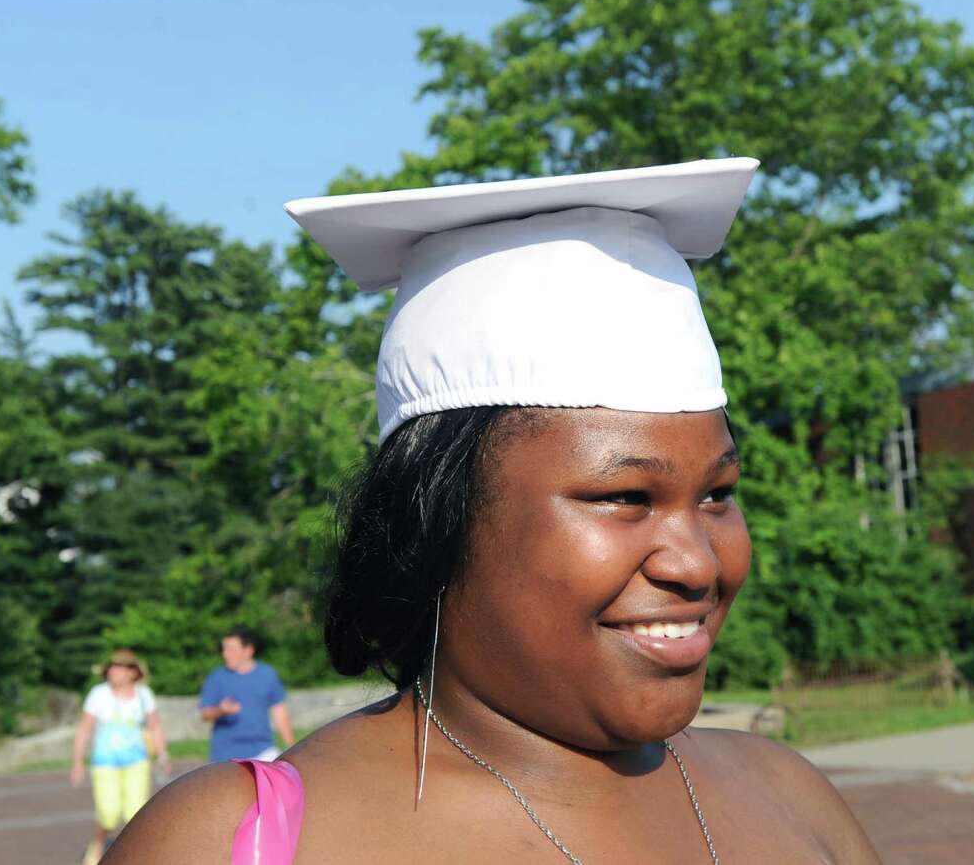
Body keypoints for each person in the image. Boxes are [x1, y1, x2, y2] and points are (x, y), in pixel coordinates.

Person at [106, 159, 881, 863]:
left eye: (716, 494)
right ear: (433, 522)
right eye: (623, 498)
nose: (699, 563)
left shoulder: (790, 799)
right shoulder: (234, 840)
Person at [72, 648, 170, 865]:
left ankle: (133, 855)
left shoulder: (144, 694)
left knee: (135, 813)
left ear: (132, 672)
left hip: (137, 761)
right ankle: (98, 842)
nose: (112, 672)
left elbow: (155, 726)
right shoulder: (98, 694)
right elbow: (84, 729)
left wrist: (163, 754)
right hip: (104, 763)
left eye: (118, 668)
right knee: (108, 813)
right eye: (111, 668)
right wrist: (77, 762)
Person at [198, 627, 296, 763]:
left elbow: (279, 712)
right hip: (225, 756)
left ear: (248, 650)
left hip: (263, 751)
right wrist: (220, 710)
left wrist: (290, 746)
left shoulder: (267, 674)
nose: (225, 654)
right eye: (224, 649)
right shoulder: (216, 678)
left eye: (231, 649)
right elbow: (205, 714)